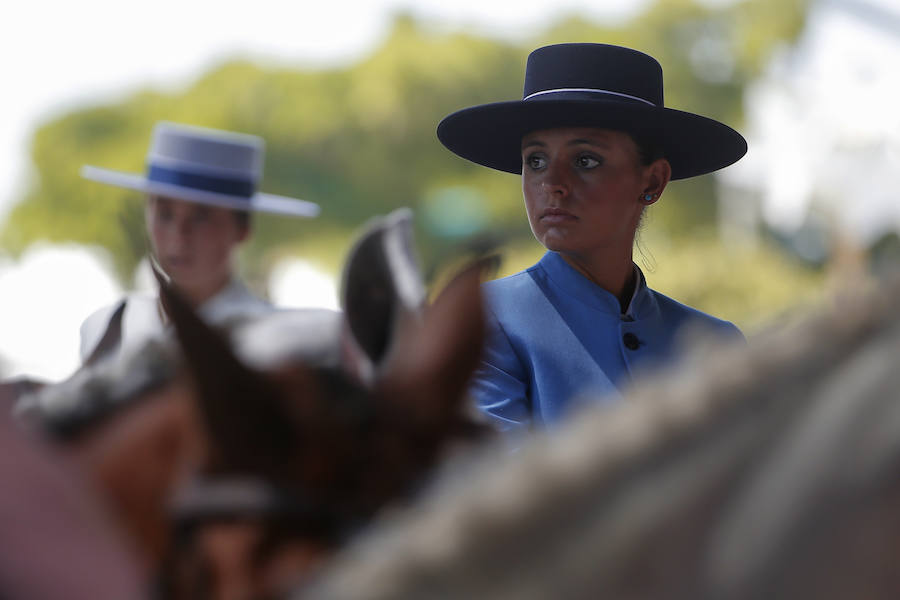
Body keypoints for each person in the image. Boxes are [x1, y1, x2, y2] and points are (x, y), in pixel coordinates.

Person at [436, 43, 747, 433]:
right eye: (535, 160)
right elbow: (494, 468)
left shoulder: (715, 346)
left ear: (653, 180)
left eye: (585, 160)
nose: (552, 183)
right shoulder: (478, 321)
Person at [78, 121, 320, 366]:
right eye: (165, 214)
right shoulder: (107, 328)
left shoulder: (279, 339)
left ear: (242, 229)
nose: (179, 235)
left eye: (201, 217)